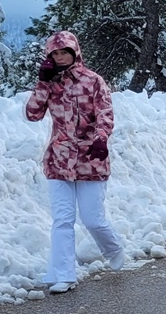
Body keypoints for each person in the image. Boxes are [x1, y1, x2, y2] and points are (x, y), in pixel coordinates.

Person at [25, 30, 125, 294]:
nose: (59, 57)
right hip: (59, 160)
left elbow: (105, 112)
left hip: (91, 158)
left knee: (93, 219)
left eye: (63, 52)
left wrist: (101, 138)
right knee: (62, 219)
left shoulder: (93, 81)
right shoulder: (50, 84)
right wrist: (43, 83)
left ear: (74, 52)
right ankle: (63, 274)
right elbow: (32, 114)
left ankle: (113, 247)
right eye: (54, 54)